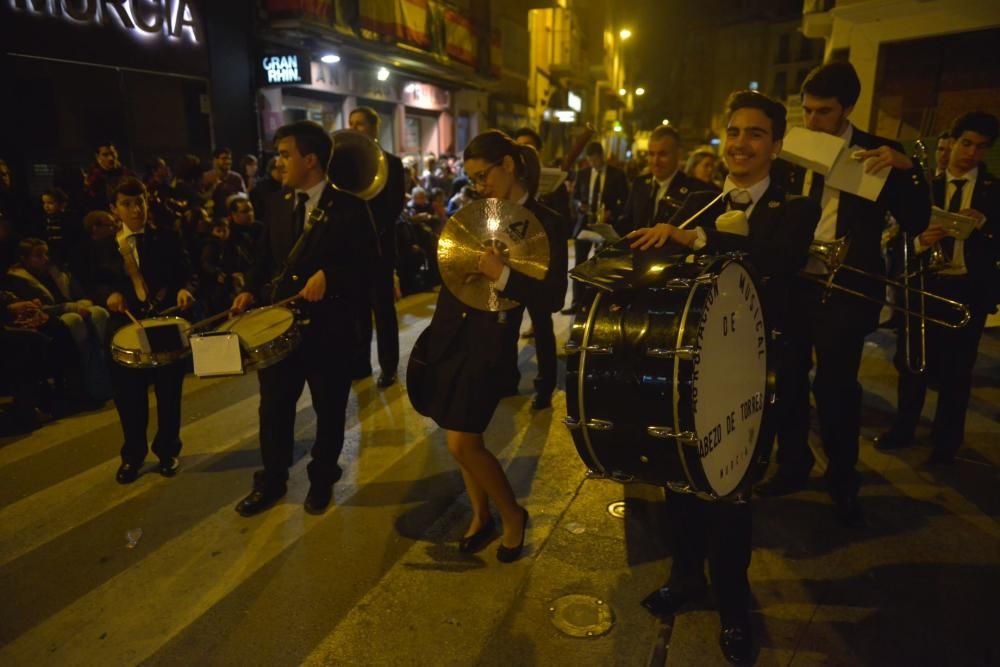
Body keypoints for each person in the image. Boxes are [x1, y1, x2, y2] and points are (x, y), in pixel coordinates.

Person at [629, 90, 821, 666]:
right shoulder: (697, 200)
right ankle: (687, 576)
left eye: (755, 134)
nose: (740, 143)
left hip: (751, 377)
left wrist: (698, 238)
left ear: (776, 146)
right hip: (692, 367)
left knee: (730, 493)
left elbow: (775, 259)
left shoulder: (794, 210)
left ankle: (734, 604)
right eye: (734, 132)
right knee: (679, 476)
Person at [757, 62, 931, 528]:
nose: (813, 122)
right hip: (796, 284)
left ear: (848, 109)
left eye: (824, 113)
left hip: (847, 289)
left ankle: (841, 476)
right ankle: (793, 464)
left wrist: (907, 169)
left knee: (835, 388)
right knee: (787, 382)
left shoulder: (880, 152)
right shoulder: (792, 148)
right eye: (808, 111)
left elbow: (916, 220)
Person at [407, 130, 566, 562]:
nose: (478, 186)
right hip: (449, 329)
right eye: (473, 178)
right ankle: (481, 515)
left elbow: (552, 297)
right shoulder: (476, 210)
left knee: (462, 443)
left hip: (490, 341)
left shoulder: (546, 219)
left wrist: (502, 274)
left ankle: (512, 513)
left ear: (508, 165)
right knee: (458, 432)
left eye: (483, 175)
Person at [231, 120, 378, 517]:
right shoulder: (278, 203)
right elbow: (264, 259)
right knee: (273, 407)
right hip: (279, 328)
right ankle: (272, 480)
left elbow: (370, 268)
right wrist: (248, 288)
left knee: (329, 408)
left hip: (329, 331)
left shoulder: (350, 206)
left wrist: (331, 277)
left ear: (310, 160)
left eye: (284, 155)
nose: (278, 164)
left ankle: (321, 477)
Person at [876, 111, 1000, 464]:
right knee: (911, 363)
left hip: (967, 289)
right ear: (954, 141)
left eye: (981, 147)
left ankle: (945, 445)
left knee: (957, 373)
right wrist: (918, 244)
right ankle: (903, 429)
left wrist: (985, 224)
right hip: (925, 285)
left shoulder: (994, 193)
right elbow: (898, 238)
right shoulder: (926, 186)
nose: (970, 153)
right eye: (966, 143)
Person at [91, 177, 196, 483]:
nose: (136, 209)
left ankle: (167, 450)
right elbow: (93, 281)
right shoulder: (102, 246)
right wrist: (107, 296)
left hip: (163, 323)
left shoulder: (167, 237)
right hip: (124, 326)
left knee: (169, 393)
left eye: (140, 202)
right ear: (114, 209)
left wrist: (185, 291)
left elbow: (187, 274)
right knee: (129, 397)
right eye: (127, 203)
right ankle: (133, 456)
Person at [511, 127, 572, 408]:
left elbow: (563, 219)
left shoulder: (552, 187)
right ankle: (507, 377)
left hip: (538, 266)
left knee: (542, 325)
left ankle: (545, 385)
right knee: (508, 324)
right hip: (513, 263)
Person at [349, 106, 406, 388]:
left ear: (373, 128)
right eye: (351, 123)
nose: (354, 128)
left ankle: (388, 366)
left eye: (360, 124)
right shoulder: (346, 162)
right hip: (354, 251)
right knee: (357, 310)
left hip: (381, 248)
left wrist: (370, 229)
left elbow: (395, 205)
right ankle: (360, 364)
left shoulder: (392, 163)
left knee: (383, 311)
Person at [616, 125, 716, 238]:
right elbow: (626, 223)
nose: (655, 161)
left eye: (662, 154)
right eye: (651, 154)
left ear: (679, 155)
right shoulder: (640, 184)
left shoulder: (695, 190)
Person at [566, 142, 628, 313]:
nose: (594, 164)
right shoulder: (583, 174)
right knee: (580, 264)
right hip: (585, 224)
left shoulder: (617, 175)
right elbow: (575, 197)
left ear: (602, 157)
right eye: (590, 161)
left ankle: (597, 304)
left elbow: (625, 201)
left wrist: (612, 213)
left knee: (602, 265)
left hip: (605, 226)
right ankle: (576, 303)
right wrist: (580, 206)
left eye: (596, 160)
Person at [83, 143, 132, 213]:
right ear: (97, 156)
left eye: (112, 153)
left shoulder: (125, 173)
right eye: (105, 155)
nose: (110, 158)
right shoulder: (93, 177)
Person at [202, 147, 246, 220]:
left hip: (233, 219)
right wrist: (213, 187)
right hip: (213, 219)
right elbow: (201, 199)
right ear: (215, 160)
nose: (228, 161)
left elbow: (244, 196)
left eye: (229, 158)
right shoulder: (206, 177)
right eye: (224, 158)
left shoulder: (236, 177)